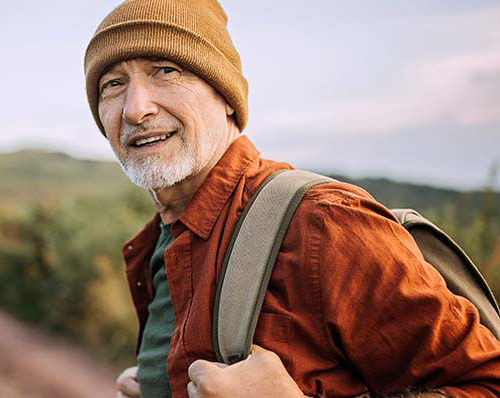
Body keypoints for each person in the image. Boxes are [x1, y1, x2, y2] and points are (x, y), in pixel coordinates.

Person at [83, 1, 500, 397]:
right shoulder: (157, 245)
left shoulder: (324, 223)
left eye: (166, 71)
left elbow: (487, 384)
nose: (136, 109)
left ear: (226, 95)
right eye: (113, 84)